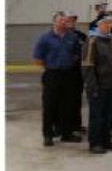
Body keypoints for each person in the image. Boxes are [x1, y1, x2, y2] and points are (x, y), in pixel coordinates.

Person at [33, 12, 82, 146]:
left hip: (68, 75)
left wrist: (72, 61)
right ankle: (48, 135)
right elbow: (37, 59)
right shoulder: (45, 38)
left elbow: (78, 54)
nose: (63, 23)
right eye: (60, 20)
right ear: (54, 22)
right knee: (49, 105)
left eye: (65, 21)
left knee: (67, 105)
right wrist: (50, 67)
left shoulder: (72, 37)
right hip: (52, 75)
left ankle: (66, 133)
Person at [81, 15, 112, 154]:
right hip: (98, 86)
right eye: (105, 23)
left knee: (108, 115)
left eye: (109, 23)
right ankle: (95, 143)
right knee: (97, 116)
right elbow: (88, 66)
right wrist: (93, 87)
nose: (108, 26)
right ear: (99, 25)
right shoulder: (92, 41)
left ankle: (106, 140)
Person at [64, 11, 87, 136]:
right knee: (66, 101)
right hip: (65, 73)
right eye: (68, 20)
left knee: (77, 100)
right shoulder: (61, 36)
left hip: (78, 73)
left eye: (73, 20)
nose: (71, 22)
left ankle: (77, 125)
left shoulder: (81, 36)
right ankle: (66, 127)